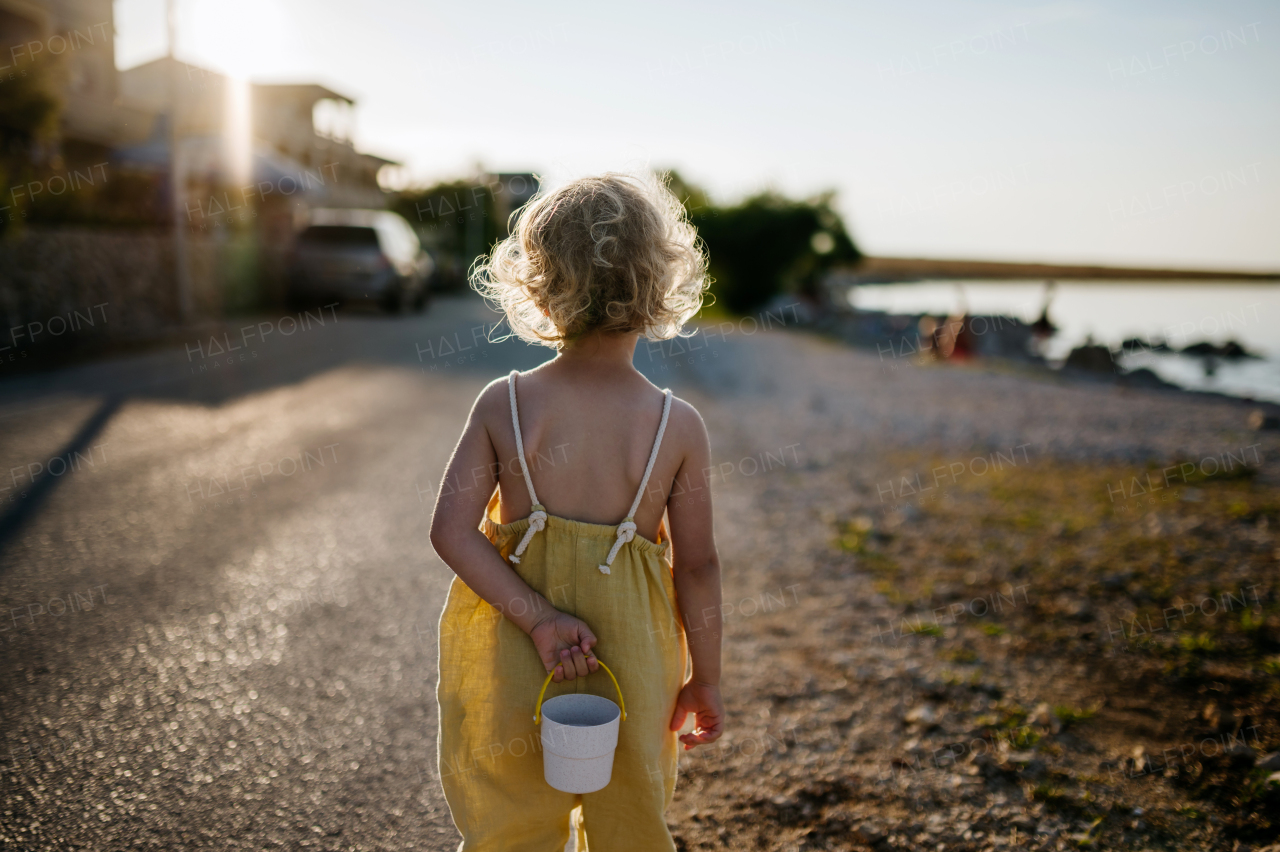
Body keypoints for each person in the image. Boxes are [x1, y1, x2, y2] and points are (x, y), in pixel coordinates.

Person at [429, 173, 725, 851]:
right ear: (660, 285)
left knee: (513, 819)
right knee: (630, 818)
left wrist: (538, 618)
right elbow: (699, 567)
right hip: (636, 665)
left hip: (519, 647)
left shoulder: (503, 404)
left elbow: (450, 531)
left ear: (538, 282)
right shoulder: (676, 426)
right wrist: (703, 678)